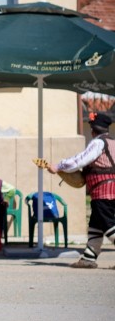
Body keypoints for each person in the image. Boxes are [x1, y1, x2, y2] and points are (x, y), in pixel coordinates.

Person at [47, 112, 115, 269]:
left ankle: (88, 259)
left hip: (103, 189)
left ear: (93, 130)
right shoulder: (112, 142)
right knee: (96, 224)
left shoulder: (98, 143)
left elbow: (81, 160)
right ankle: (88, 258)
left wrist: (59, 166)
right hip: (110, 188)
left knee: (106, 223)